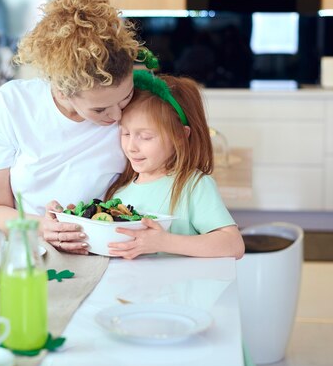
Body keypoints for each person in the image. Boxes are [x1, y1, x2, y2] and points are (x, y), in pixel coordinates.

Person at [0, 0, 140, 254]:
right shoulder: (14, 105)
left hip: (112, 255)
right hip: (30, 255)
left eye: (125, 97)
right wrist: (41, 226)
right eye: (99, 109)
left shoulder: (142, 105)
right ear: (62, 92)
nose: (118, 115)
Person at [104, 70, 245, 260]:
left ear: (179, 136)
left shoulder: (193, 185)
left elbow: (233, 245)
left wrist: (163, 242)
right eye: (126, 133)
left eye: (146, 137)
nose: (131, 147)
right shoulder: (119, 191)